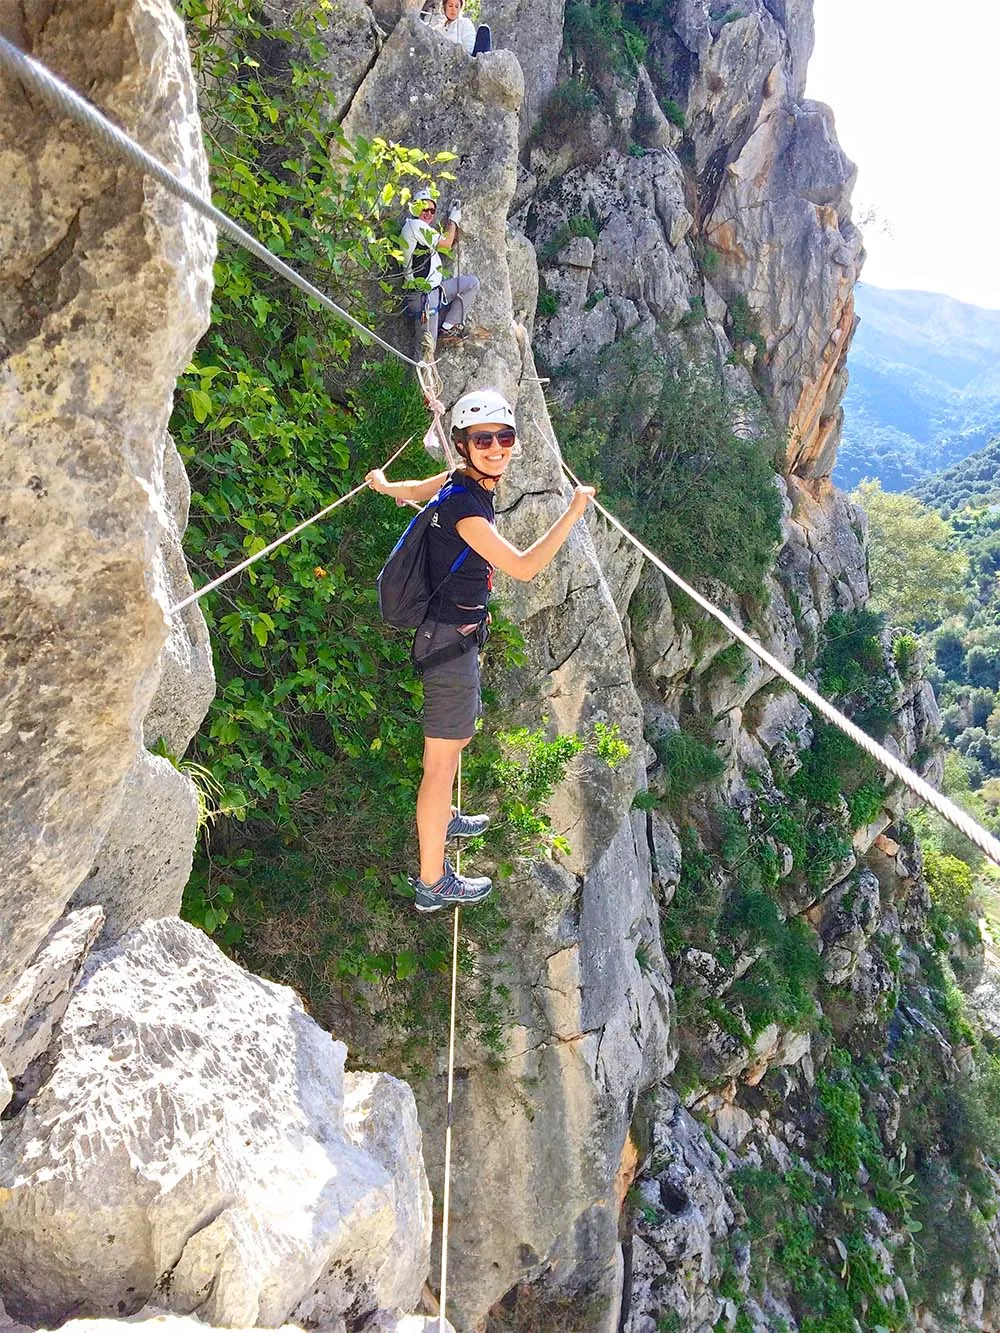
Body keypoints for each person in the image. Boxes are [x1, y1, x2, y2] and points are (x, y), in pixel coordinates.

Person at [366, 389, 595, 912]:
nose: (496, 447)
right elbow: (523, 566)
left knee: (456, 743)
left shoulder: (457, 481)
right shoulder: (469, 508)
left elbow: (416, 487)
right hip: (448, 644)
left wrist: (384, 486)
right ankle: (431, 882)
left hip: (454, 640)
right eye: (483, 439)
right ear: (465, 445)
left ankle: (444, 817)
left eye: (504, 437)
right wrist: (574, 510)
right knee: (439, 766)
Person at [400, 190, 480, 350]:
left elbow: (444, 246)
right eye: (424, 209)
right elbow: (445, 244)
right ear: (414, 209)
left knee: (471, 284)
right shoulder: (415, 226)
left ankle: (449, 328)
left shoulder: (421, 230)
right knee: (427, 349)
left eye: (432, 211)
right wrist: (453, 222)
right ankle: (421, 373)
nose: (428, 214)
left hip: (435, 290)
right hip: (424, 297)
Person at [426, 0, 492, 56]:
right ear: (444, 7)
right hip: (442, 64)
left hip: (463, 62)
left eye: (457, 7)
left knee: (484, 30)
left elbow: (470, 50)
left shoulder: (465, 23)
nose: (453, 9)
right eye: (450, 6)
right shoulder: (437, 29)